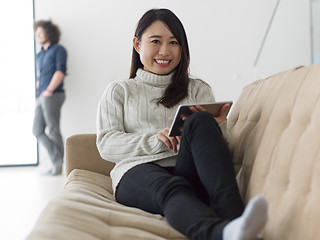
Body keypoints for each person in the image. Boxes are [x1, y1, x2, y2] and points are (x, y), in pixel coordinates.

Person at [96, 8, 268, 240]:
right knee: (172, 188)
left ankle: (235, 221)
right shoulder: (120, 91)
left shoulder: (198, 89)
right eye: (155, 41)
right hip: (137, 171)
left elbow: (222, 153)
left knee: (200, 120)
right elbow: (106, 144)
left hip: (187, 170)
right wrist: (156, 140)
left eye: (174, 42)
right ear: (137, 45)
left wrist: (215, 126)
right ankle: (222, 233)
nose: (165, 51)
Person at [32, 20, 67, 175]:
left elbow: (60, 71)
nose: (37, 35)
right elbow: (40, 76)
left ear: (49, 32)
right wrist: (38, 94)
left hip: (54, 94)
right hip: (42, 96)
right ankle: (57, 159)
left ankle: (57, 164)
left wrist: (49, 90)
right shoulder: (40, 54)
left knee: (53, 129)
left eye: (40, 32)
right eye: (36, 33)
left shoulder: (58, 50)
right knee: (37, 130)